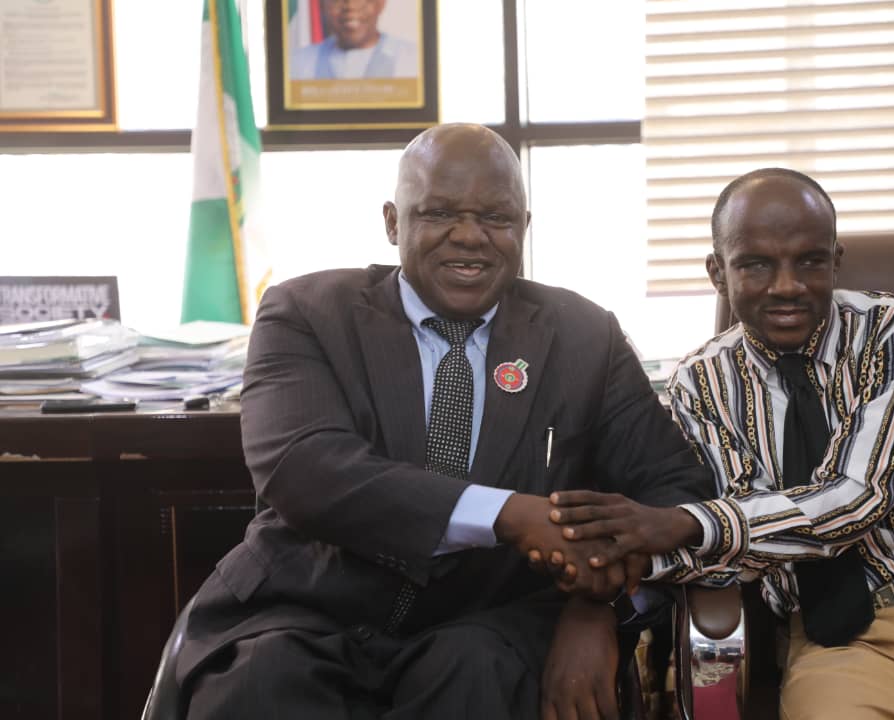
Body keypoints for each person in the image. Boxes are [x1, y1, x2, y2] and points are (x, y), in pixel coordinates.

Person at [175, 123, 712, 720]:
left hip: (487, 623)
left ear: (524, 228)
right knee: (261, 686)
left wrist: (598, 611)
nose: (469, 237)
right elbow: (305, 468)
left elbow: (673, 494)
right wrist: (509, 514)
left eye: (496, 218)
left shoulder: (585, 336)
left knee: (475, 679)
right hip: (306, 607)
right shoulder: (307, 312)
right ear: (392, 222)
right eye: (438, 213)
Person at [548, 168, 894, 719]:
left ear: (835, 260)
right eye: (756, 263)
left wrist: (686, 524)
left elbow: (858, 496)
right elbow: (736, 547)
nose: (787, 286)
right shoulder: (700, 383)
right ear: (717, 273)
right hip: (838, 646)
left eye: (809, 260)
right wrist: (611, 564)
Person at [291, 0, 418, 80]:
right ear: (323, 6)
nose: (350, 6)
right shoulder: (298, 63)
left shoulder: (414, 60)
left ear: (380, 3)